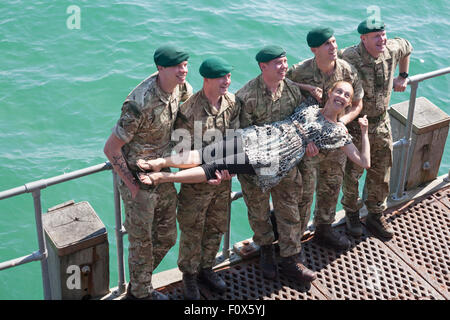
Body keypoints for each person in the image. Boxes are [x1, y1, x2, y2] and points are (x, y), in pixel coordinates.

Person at [136, 82, 370, 272]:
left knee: (215, 166)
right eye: (338, 91)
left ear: (349, 103)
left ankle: (163, 178)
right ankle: (161, 162)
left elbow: (364, 162)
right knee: (210, 152)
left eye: (346, 95)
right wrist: (309, 88)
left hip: (273, 154)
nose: (341, 96)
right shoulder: (310, 106)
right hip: (260, 135)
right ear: (330, 93)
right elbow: (291, 82)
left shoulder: (338, 131)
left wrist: (364, 131)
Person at [103, 44, 193, 300]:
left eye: (185, 65)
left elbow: (188, 113)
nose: (183, 70)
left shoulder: (181, 88)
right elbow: (111, 149)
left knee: (167, 237)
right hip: (136, 179)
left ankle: (137, 285)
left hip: (160, 172)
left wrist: (182, 153)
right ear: (160, 68)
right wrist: (132, 186)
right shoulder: (138, 104)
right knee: (141, 243)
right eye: (177, 66)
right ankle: (141, 294)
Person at [236, 45, 315, 283]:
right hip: (256, 170)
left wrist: (308, 140)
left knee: (289, 210)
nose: (284, 67)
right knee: (259, 213)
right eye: (278, 63)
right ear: (263, 67)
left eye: (285, 61)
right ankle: (267, 250)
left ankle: (291, 258)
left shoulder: (291, 90)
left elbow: (301, 121)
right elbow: (240, 137)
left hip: (286, 165)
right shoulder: (246, 96)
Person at [286, 27, 364, 249]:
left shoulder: (346, 70)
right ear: (314, 49)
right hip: (308, 146)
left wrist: (343, 122)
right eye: (327, 44)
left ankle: (324, 229)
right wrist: (306, 87)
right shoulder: (300, 71)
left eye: (334, 41)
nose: (333, 47)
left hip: (334, 143)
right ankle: (294, 243)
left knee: (331, 186)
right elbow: (283, 88)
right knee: (303, 195)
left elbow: (358, 102)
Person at [172, 57, 241, 300]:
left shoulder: (232, 102)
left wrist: (230, 169)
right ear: (207, 80)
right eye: (222, 78)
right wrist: (206, 172)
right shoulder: (188, 110)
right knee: (192, 230)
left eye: (229, 77)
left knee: (216, 226)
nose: (227, 82)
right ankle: (189, 276)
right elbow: (180, 155)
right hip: (196, 185)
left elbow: (235, 140)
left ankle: (206, 268)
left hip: (223, 181)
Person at [339, 19, 413, 239]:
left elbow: (407, 46)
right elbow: (329, 72)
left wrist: (403, 76)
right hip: (355, 124)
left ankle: (375, 214)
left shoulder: (391, 48)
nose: (382, 39)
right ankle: (351, 213)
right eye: (376, 36)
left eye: (383, 34)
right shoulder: (348, 56)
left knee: (381, 172)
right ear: (363, 39)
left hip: (381, 122)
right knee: (352, 174)